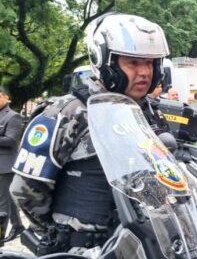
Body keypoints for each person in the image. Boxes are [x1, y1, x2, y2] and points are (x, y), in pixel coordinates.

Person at [10, 13, 171, 254]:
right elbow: (26, 189)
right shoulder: (68, 112)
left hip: (137, 245)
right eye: (133, 63)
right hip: (84, 249)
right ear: (105, 61)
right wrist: (61, 234)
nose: (145, 72)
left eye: (149, 63)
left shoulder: (148, 112)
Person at [0, 87, 25, 244]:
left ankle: (0, 237)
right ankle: (18, 226)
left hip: (5, 166)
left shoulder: (13, 116)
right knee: (7, 200)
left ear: (5, 97)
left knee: (1, 203)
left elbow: (11, 140)